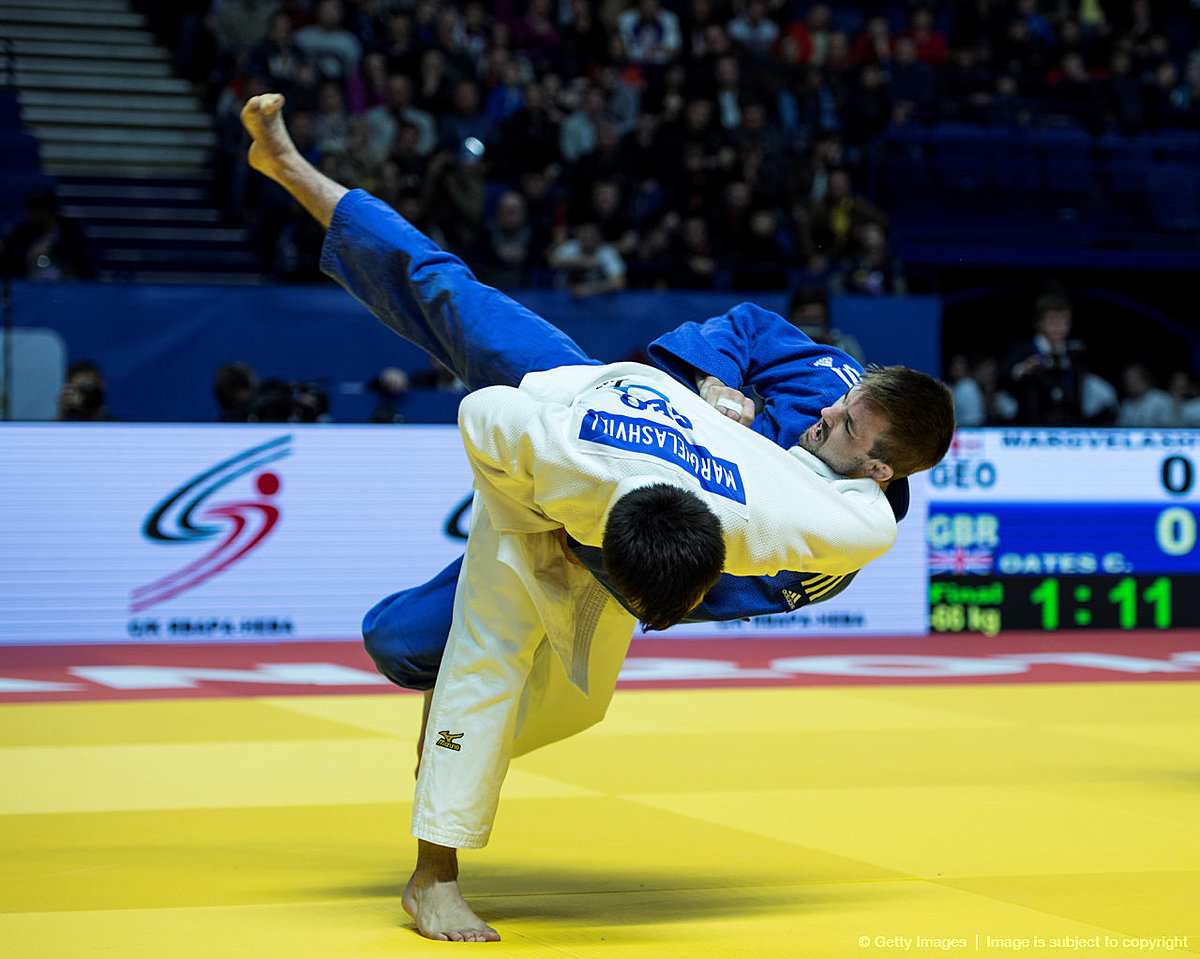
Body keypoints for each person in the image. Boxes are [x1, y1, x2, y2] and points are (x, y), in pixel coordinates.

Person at [240, 92, 955, 941]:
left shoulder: (831, 541)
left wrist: (582, 548)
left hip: (611, 538)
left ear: (877, 469)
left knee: (400, 643)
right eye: (844, 396)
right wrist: (712, 382)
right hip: (597, 406)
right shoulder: (835, 383)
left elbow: (684, 580)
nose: (823, 413)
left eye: (843, 426)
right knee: (448, 290)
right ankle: (290, 166)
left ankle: (444, 753)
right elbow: (749, 326)